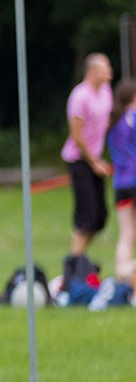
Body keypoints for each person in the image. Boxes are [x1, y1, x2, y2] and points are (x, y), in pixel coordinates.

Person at [61, 52, 114, 284]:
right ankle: (74, 266)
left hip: (96, 160)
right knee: (87, 215)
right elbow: (77, 135)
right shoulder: (79, 96)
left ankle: (77, 259)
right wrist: (94, 163)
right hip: (79, 160)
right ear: (92, 71)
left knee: (100, 216)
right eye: (106, 68)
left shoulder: (105, 93)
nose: (110, 71)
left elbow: (106, 125)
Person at [96, 78, 136, 308]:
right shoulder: (134, 118)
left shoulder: (113, 121)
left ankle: (122, 279)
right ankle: (127, 273)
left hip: (121, 184)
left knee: (126, 234)